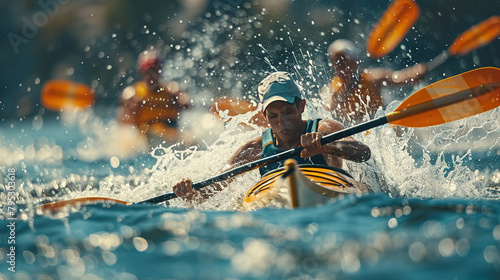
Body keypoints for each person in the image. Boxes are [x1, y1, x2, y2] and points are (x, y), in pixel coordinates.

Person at [173, 71, 371, 204]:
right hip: (276, 203)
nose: (281, 122)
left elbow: (364, 153)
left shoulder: (325, 129)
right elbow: (208, 190)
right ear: (264, 116)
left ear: (301, 107)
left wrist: (326, 147)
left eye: (288, 112)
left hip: (333, 196)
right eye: (273, 116)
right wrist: (189, 193)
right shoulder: (255, 148)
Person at [323, 39, 427, 124]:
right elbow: (325, 109)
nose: (341, 66)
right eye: (337, 62)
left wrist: (414, 73)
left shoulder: (372, 78)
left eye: (344, 61)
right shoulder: (332, 89)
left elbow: (398, 78)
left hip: (378, 127)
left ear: (354, 61)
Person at [117, 48, 191, 142]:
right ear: (141, 72)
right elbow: (122, 124)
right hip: (145, 133)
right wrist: (132, 109)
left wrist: (182, 103)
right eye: (148, 71)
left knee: (190, 140)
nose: (151, 76)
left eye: (154, 71)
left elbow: (188, 105)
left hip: (169, 131)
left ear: (160, 71)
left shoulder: (172, 91)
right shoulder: (132, 94)